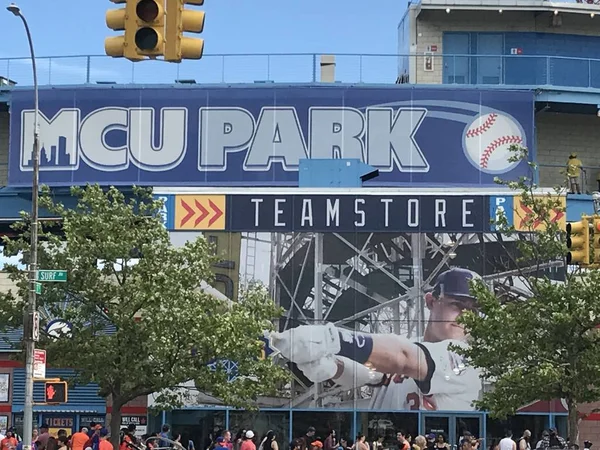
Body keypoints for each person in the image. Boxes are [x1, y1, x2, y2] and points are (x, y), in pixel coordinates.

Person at [271, 268, 483, 411]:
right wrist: (334, 367)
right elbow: (375, 375)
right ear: (431, 301)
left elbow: (404, 359)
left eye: (473, 310)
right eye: (457, 305)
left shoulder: (466, 360)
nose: (465, 316)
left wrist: (334, 338)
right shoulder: (411, 346)